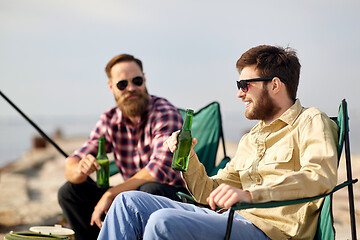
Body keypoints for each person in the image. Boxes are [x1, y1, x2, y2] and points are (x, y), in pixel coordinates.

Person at [97, 45, 339, 240]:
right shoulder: (251, 138)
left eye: (245, 85)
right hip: (228, 219)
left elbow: (319, 177)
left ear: (275, 85)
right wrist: (189, 158)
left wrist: (250, 195)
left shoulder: (310, 120)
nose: (239, 93)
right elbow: (209, 192)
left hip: (270, 230)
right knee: (127, 202)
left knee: (162, 222)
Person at [58, 54, 187, 240]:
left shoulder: (164, 112)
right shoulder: (109, 119)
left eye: (136, 81)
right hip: (127, 197)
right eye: (122, 84)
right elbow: (72, 162)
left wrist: (112, 193)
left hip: (169, 196)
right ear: (111, 87)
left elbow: (159, 170)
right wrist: (80, 169)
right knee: (69, 192)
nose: (131, 88)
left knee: (148, 190)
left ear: (145, 79)